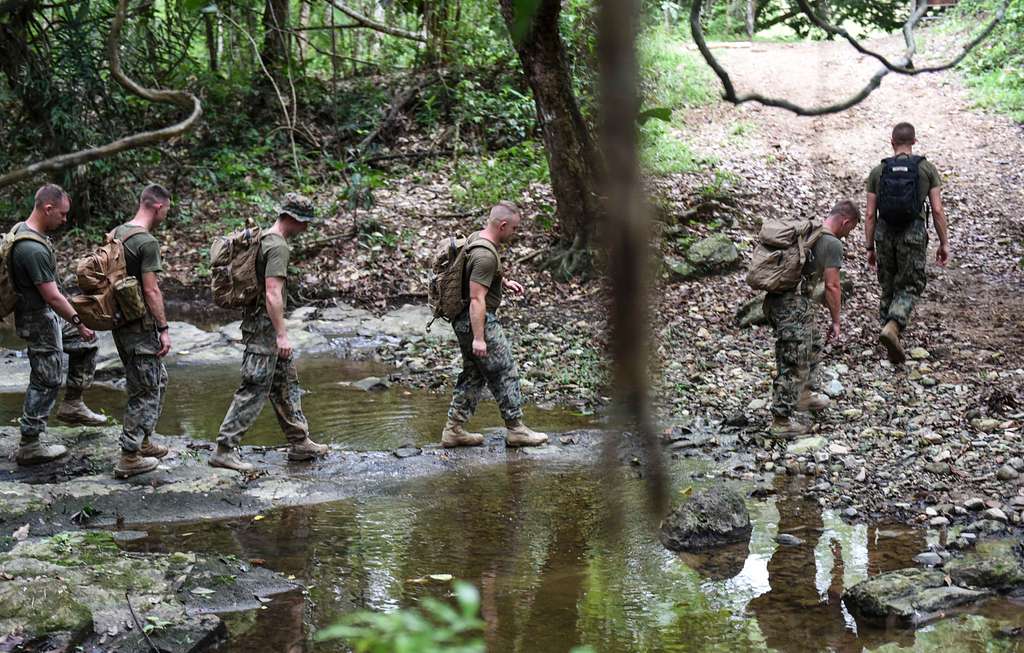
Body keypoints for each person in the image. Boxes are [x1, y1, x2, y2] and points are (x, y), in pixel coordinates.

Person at [210, 193, 328, 472]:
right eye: (305, 223)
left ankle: (299, 441)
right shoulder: (277, 247)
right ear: (293, 219)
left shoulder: (264, 239)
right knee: (254, 387)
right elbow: (273, 293)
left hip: (261, 326)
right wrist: (281, 335)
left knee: (286, 383)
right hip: (264, 330)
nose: (306, 229)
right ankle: (225, 449)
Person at [9, 184, 105, 465]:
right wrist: (78, 319)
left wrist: (78, 327)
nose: (65, 220)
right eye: (62, 214)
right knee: (47, 378)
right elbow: (51, 295)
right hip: (37, 319)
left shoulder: (27, 232)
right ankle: (30, 442)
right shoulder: (30, 248)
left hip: (47, 315)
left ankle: (73, 404)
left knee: (85, 344)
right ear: (47, 208)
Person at [441, 201, 548, 448]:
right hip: (478, 321)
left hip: (463, 321)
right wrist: (479, 338)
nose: (515, 233)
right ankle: (516, 429)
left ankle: (453, 430)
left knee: (474, 374)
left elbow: (476, 276)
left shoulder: (477, 238)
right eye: (514, 228)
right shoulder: (485, 255)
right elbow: (477, 299)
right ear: (502, 225)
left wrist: (504, 282)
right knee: (504, 370)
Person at [765, 200, 860, 439]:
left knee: (813, 344)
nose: (849, 234)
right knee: (794, 361)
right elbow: (832, 285)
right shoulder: (831, 243)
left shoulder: (809, 234)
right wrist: (836, 321)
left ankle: (803, 396)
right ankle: (780, 420)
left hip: (778, 302)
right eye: (851, 229)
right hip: (792, 306)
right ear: (846, 222)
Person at [865, 122, 949, 364]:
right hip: (912, 232)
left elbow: (870, 214)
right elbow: (937, 209)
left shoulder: (878, 172)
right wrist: (944, 243)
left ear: (892, 142)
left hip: (884, 233)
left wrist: (869, 246)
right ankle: (893, 326)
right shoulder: (926, 169)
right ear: (914, 142)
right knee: (910, 285)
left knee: (888, 284)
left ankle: (889, 336)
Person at [110, 184, 174, 478]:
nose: (167, 214)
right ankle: (129, 456)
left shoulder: (116, 233)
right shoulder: (146, 243)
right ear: (158, 207)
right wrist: (164, 328)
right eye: (168, 209)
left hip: (120, 323)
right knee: (145, 388)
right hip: (140, 326)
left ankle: (144, 440)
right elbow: (151, 290)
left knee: (157, 379)